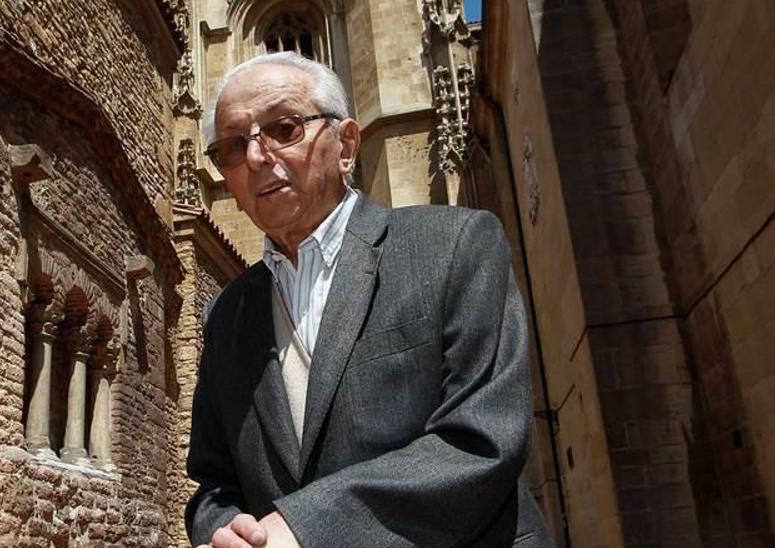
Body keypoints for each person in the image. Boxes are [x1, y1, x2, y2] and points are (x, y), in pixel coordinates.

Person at [185, 51, 550, 548]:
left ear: (347, 145)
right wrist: (227, 534)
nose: (255, 158)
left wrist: (304, 527)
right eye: (232, 146)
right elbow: (214, 483)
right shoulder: (225, 315)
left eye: (285, 128)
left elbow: (482, 438)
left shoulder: (455, 245)